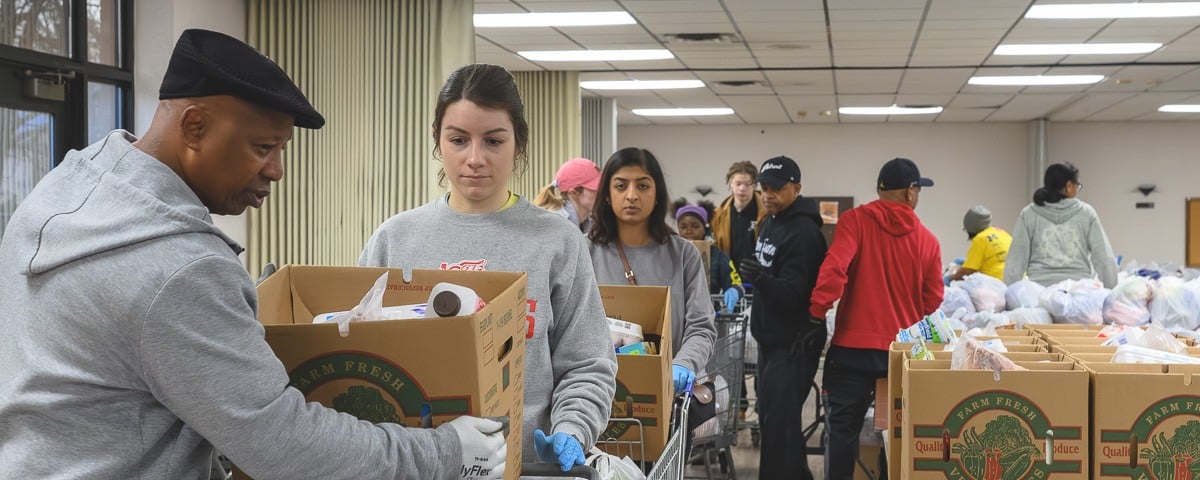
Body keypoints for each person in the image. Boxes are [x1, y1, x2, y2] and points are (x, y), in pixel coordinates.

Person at [0, 29, 505, 480]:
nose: (276, 170)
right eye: (263, 147)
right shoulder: (182, 271)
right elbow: (287, 451)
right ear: (194, 128)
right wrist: (444, 451)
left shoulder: (64, 188)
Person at [359, 64, 617, 474]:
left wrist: (572, 427)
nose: (474, 158)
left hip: (526, 468)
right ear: (438, 142)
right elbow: (359, 355)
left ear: (519, 143)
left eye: (493, 140)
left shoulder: (558, 241)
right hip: (415, 466)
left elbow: (587, 362)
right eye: (458, 140)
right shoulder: (395, 239)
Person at [809, 157, 944, 479]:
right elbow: (933, 301)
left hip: (851, 351)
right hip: (900, 354)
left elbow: (835, 268)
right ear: (911, 192)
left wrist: (817, 312)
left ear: (880, 189)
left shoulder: (854, 221)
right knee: (895, 434)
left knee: (842, 433)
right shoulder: (928, 241)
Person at [587, 147, 717, 395]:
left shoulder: (683, 255)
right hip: (598, 391)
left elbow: (701, 327)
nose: (632, 195)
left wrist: (683, 364)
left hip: (667, 392)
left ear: (657, 194)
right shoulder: (583, 252)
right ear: (606, 195)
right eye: (621, 186)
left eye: (643, 186)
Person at [732, 156, 827, 480]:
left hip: (794, 344)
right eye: (765, 188)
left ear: (796, 188)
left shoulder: (804, 233)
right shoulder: (772, 220)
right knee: (773, 424)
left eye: (777, 188)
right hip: (770, 342)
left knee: (780, 429)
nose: (769, 194)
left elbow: (798, 294)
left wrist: (760, 278)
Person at [1003, 162, 1118, 288]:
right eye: (1077, 186)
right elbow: (1104, 259)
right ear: (1068, 186)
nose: (1077, 190)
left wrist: (1010, 295)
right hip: (1077, 291)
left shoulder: (1028, 214)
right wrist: (1110, 291)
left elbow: (1015, 262)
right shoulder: (1086, 213)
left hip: (1040, 292)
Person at [672, 198, 744, 313]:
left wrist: (734, 290)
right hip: (677, 314)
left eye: (695, 226)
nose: (689, 231)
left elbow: (736, 283)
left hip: (709, 316)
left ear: (704, 228)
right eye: (683, 227)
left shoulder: (718, 255)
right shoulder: (671, 254)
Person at [711, 161, 767, 271]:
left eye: (747, 184)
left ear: (755, 184)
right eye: (738, 183)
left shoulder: (767, 212)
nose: (742, 188)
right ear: (730, 183)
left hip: (760, 276)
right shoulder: (718, 215)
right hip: (730, 277)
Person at [533, 157, 601, 233]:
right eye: (596, 188)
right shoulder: (554, 226)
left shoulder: (591, 223)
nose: (602, 192)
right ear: (573, 193)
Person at [947, 205, 1012, 282]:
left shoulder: (980, 239)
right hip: (1017, 281)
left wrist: (948, 279)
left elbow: (967, 272)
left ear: (970, 228)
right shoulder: (1002, 233)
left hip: (997, 285)